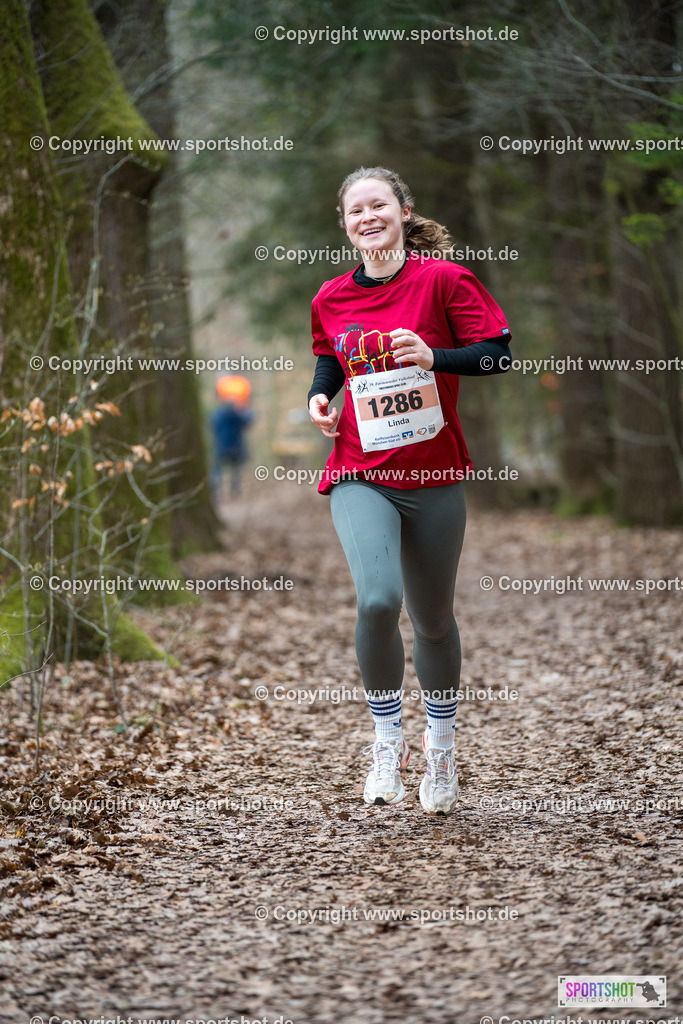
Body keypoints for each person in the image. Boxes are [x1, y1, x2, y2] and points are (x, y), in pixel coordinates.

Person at [307, 166, 512, 815]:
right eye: (354, 210)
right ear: (344, 224)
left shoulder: (443, 280)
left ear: (402, 211)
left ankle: (442, 748)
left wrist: (432, 357)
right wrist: (320, 397)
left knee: (430, 618)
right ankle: (385, 741)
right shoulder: (330, 296)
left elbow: (498, 352)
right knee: (376, 601)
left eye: (377, 205)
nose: (366, 217)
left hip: (432, 471)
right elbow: (328, 357)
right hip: (359, 468)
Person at [210, 375, 253, 500]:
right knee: (234, 472)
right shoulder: (235, 413)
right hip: (234, 447)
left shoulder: (218, 413)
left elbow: (211, 425)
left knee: (220, 471)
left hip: (221, 446)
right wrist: (248, 410)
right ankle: (233, 493)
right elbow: (247, 421)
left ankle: (217, 492)